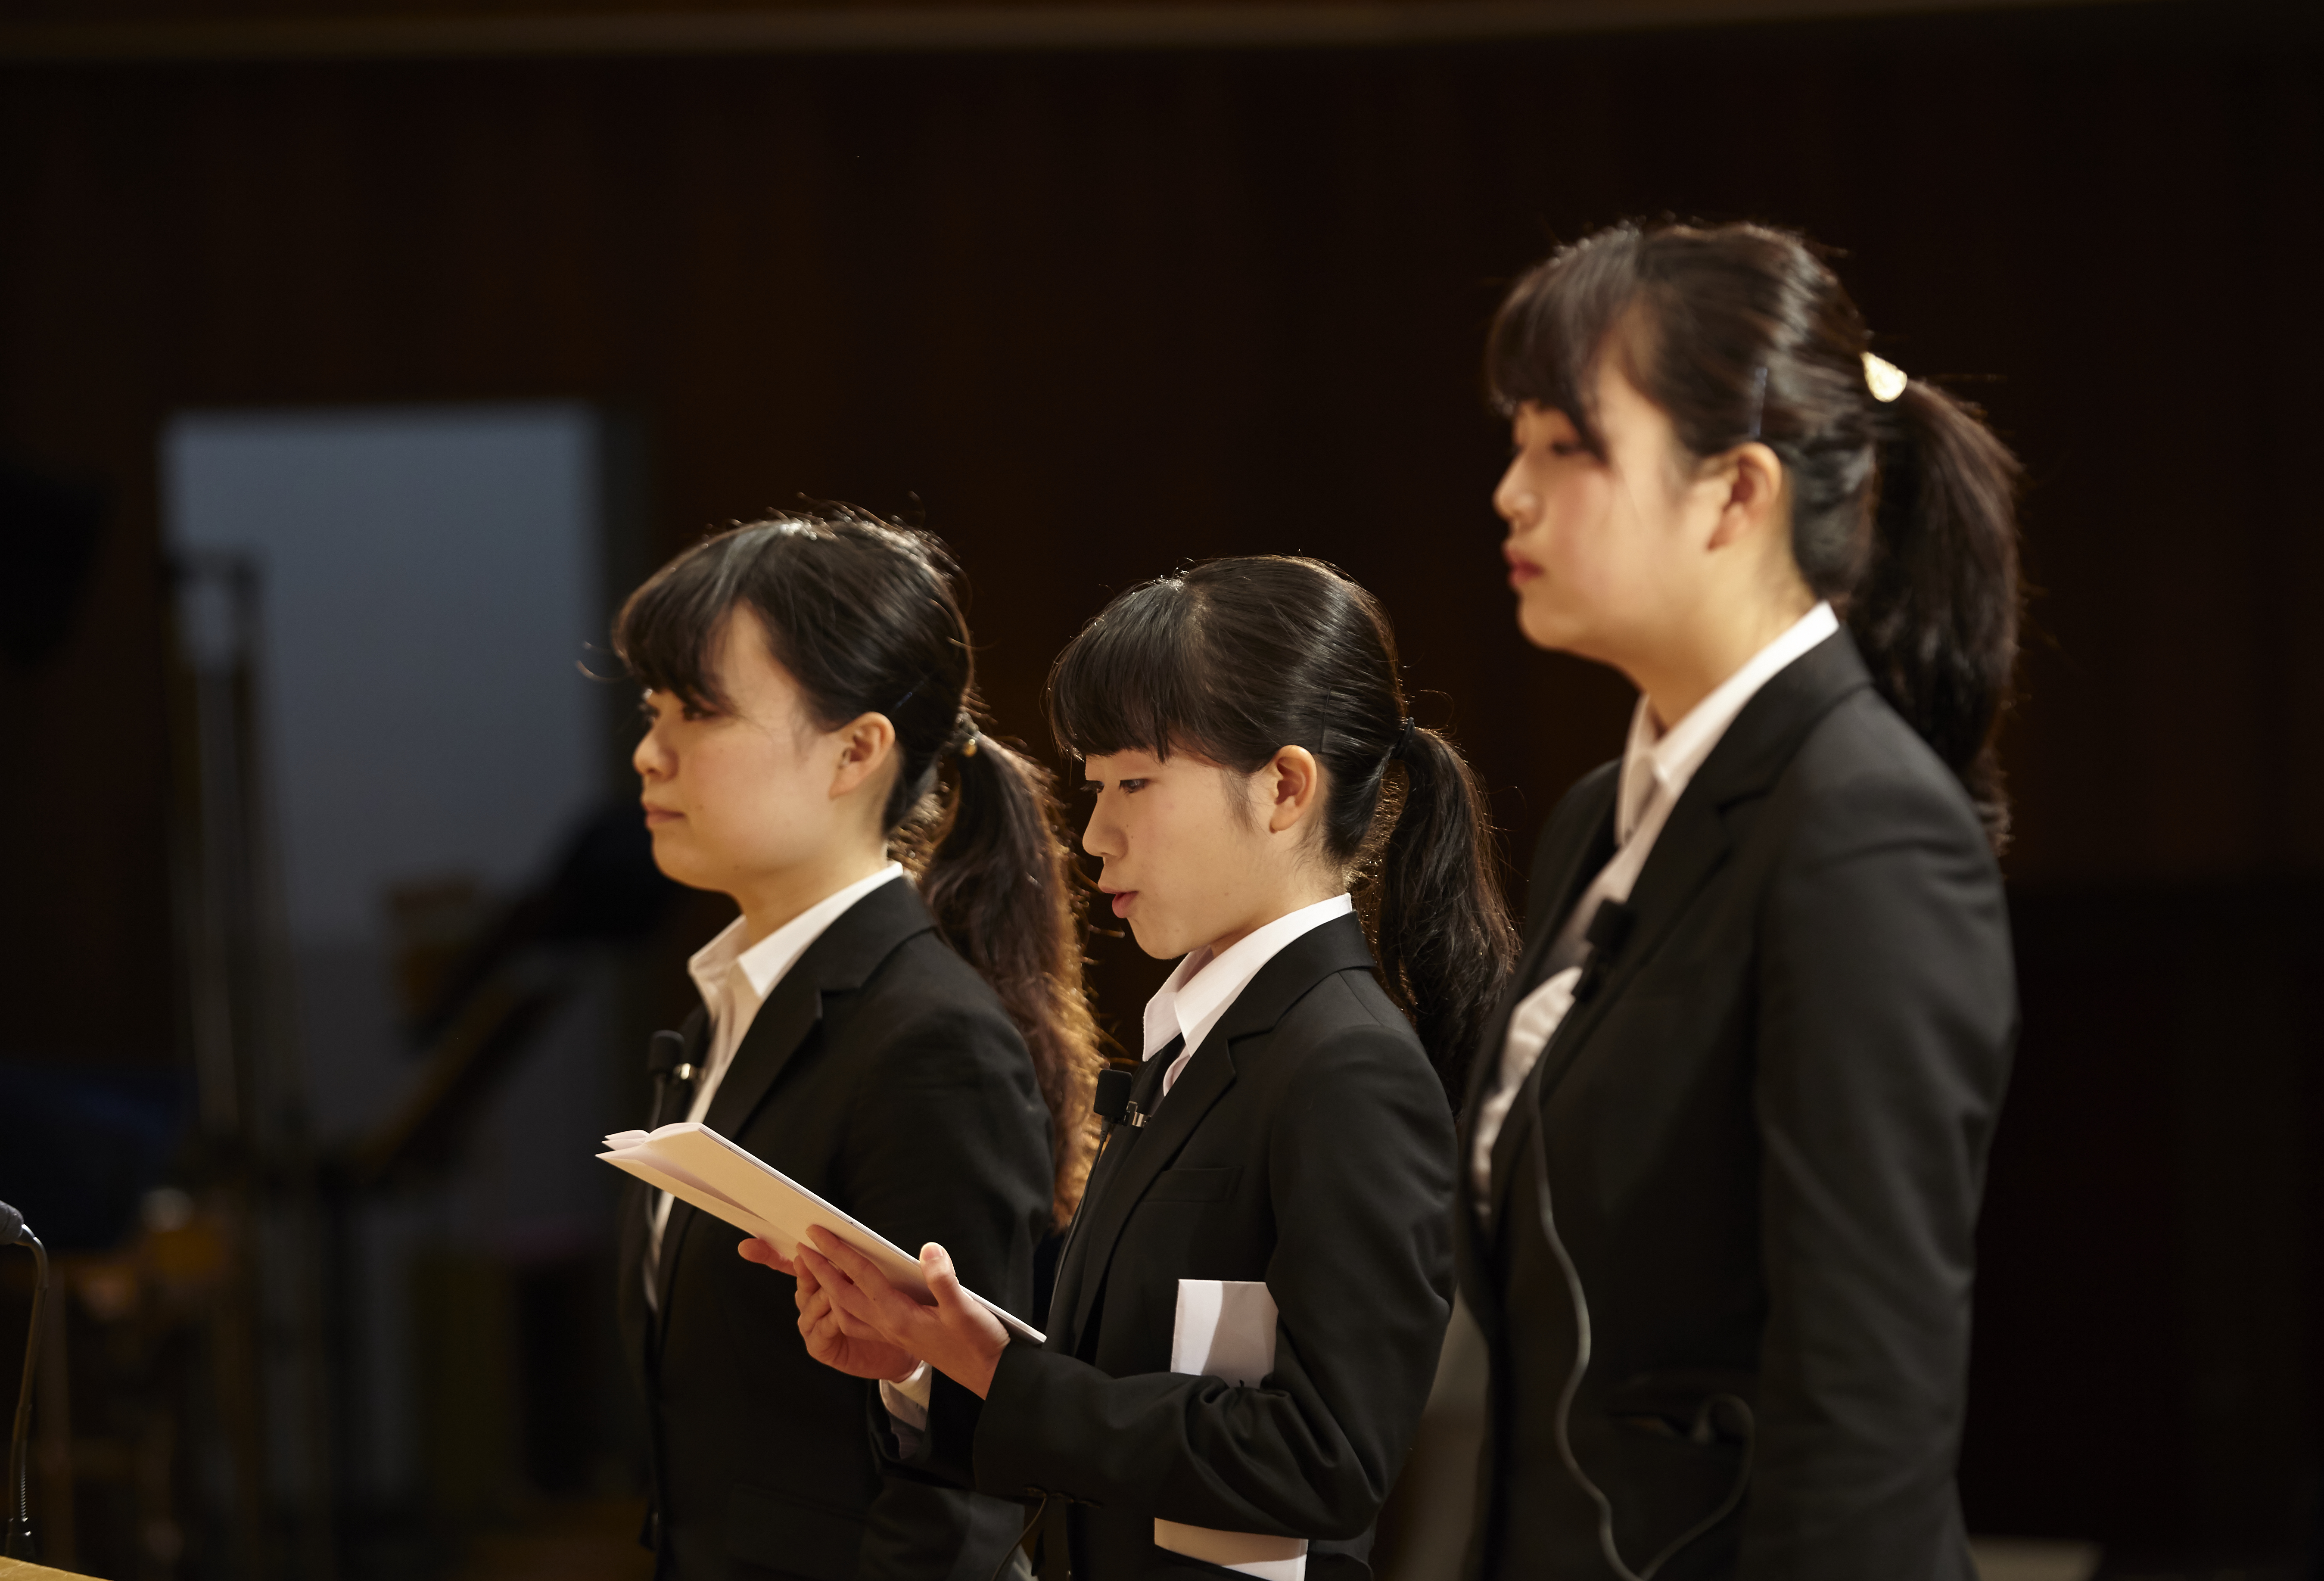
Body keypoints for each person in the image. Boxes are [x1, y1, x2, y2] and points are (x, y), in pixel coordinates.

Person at [745, 556, 1518, 1580]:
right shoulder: (1206, 1040)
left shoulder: (1345, 1064)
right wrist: (930, 1364)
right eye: (1093, 785)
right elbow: (1118, 1394)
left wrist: (997, 1369)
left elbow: (1324, 1459)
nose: (1097, 834)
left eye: (1134, 783)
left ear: (1283, 785)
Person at [1459, 220, 2022, 1580]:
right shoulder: (1607, 811)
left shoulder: (1862, 824)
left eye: (1563, 446)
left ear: (1735, 493)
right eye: (1517, 441)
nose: (1508, 494)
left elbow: (1864, 1410)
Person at [612, 506, 1098, 1581]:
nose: (650, 750)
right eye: (652, 709)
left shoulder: (931, 1039)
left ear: (856, 749)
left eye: (696, 709)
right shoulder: (728, 1007)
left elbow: (967, 1469)